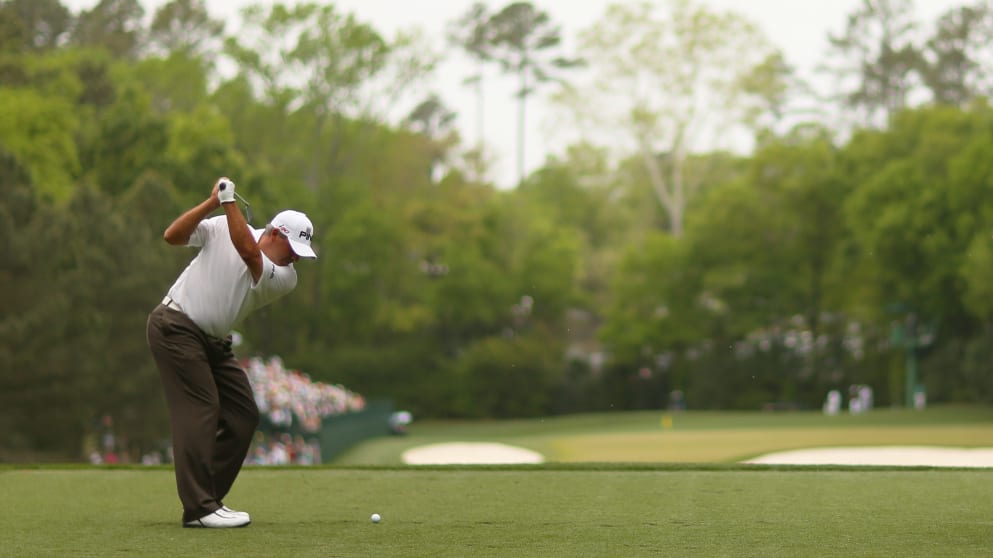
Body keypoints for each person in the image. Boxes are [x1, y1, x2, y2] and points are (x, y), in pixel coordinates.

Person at [146, 177, 317, 528]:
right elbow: (173, 236)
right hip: (175, 326)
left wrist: (227, 203)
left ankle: (207, 500)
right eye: (294, 251)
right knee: (202, 408)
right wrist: (212, 204)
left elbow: (248, 251)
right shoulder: (225, 224)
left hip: (213, 341)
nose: (296, 261)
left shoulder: (284, 277)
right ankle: (200, 508)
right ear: (275, 234)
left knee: (243, 416)